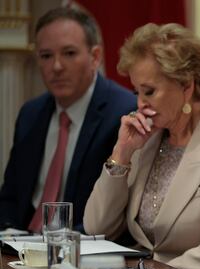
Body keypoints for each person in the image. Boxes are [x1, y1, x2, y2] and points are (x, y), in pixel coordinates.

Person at [83, 23, 200, 269]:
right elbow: (97, 228)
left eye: (149, 91)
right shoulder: (147, 139)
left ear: (186, 85)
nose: (140, 103)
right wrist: (122, 153)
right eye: (136, 91)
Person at [0, 6, 135, 232]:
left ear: (95, 57)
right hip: (21, 249)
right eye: (46, 56)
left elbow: (121, 217)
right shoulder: (31, 114)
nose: (57, 66)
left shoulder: (122, 113)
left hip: (82, 249)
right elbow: (10, 198)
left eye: (69, 53)